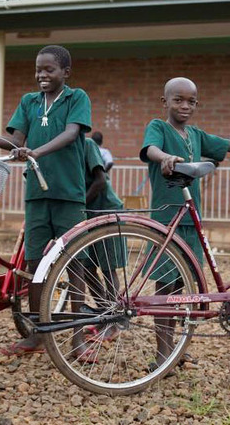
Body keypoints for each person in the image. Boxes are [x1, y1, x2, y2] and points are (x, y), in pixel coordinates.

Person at [0, 44, 91, 356]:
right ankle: (38, 332)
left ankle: (78, 336)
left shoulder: (76, 98)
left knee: (75, 263)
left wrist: (36, 152)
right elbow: (13, 142)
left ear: (65, 72)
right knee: (35, 265)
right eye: (38, 69)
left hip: (69, 193)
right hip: (36, 194)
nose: (41, 74)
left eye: (49, 69)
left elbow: (71, 133)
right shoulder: (29, 102)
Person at [139, 76, 230, 370]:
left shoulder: (194, 134)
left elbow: (229, 145)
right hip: (168, 219)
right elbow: (150, 150)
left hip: (192, 222)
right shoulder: (158, 127)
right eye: (178, 100)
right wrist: (165, 157)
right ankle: (162, 353)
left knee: (183, 287)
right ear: (165, 101)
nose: (185, 106)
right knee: (164, 289)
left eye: (191, 101)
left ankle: (176, 349)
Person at [77, 136, 125, 358]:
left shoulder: (87, 145)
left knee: (108, 268)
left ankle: (114, 323)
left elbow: (100, 181)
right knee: (86, 268)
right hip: (87, 214)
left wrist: (79, 206)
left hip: (106, 210)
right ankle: (104, 314)